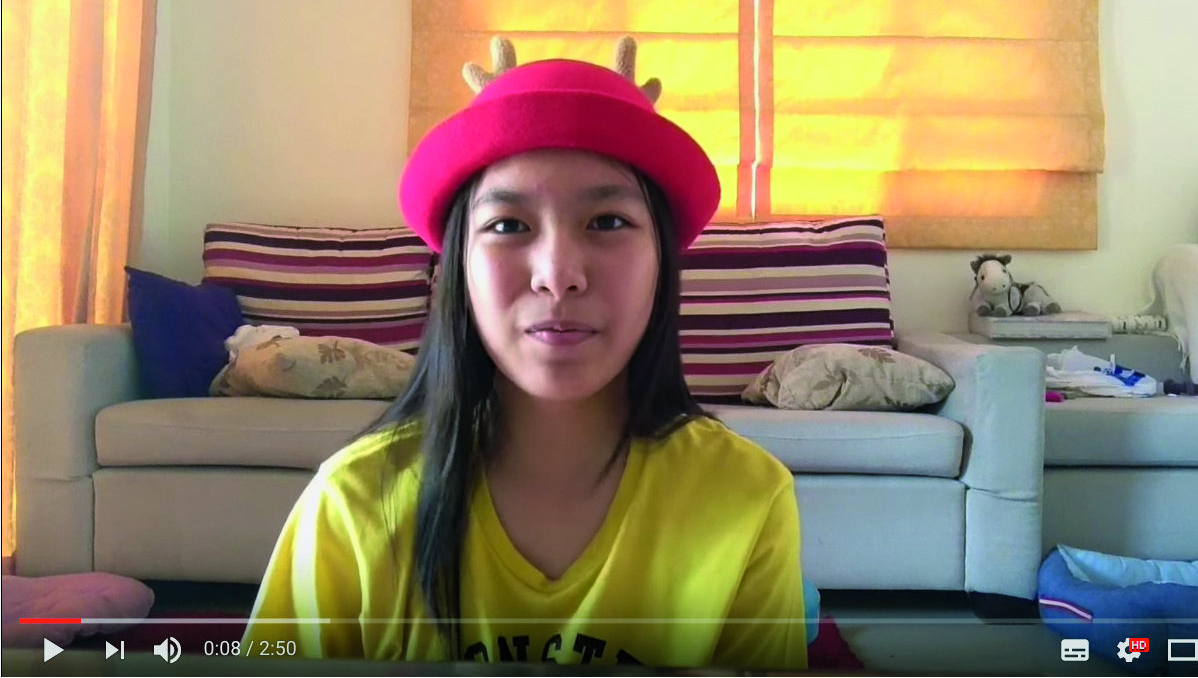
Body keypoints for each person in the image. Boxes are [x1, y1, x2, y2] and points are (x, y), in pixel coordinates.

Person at [241, 37, 807, 670]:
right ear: (458, 267)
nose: (558, 274)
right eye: (509, 225)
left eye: (608, 222)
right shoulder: (354, 500)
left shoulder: (746, 495)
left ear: (661, 261)